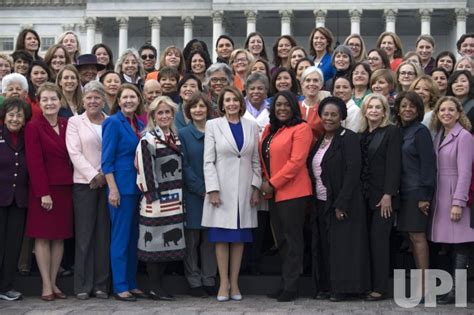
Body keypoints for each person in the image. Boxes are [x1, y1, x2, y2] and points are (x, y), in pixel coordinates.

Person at [307, 96, 370, 302]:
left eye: (334, 114)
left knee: (343, 248)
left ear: (342, 116)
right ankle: (326, 286)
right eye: (326, 114)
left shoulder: (349, 138)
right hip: (321, 202)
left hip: (344, 203)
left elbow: (353, 171)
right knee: (325, 247)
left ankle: (343, 288)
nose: (329, 118)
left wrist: (341, 202)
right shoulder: (319, 141)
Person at [201, 86, 261, 301]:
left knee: (239, 239)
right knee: (221, 238)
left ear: (241, 103)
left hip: (244, 191)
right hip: (222, 191)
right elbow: (208, 160)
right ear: (222, 104)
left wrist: (255, 187)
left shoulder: (252, 126)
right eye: (227, 100)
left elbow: (256, 161)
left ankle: (234, 283)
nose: (232, 104)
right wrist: (213, 189)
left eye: (235, 100)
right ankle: (223, 283)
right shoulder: (213, 125)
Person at [260, 91, 312, 302]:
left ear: (293, 107)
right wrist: (265, 182)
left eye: (286, 105)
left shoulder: (302, 129)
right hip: (273, 193)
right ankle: (286, 282)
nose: (281, 108)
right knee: (280, 240)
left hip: (294, 192)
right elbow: (264, 159)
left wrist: (271, 183)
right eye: (278, 105)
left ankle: (292, 286)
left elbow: (296, 162)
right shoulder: (269, 130)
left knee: (293, 240)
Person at [24, 83, 74, 301]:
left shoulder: (66, 124)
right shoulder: (33, 127)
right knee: (43, 237)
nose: (50, 103)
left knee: (59, 238)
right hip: (43, 190)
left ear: (60, 100)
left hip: (65, 187)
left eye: (53, 99)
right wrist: (43, 192)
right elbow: (35, 163)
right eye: (45, 99)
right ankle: (45, 285)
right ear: (39, 102)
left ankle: (54, 282)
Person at [135, 95, 186, 301]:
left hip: (175, 199)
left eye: (167, 112)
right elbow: (145, 170)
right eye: (160, 113)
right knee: (154, 244)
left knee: (168, 246)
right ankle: (154, 287)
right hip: (156, 200)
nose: (164, 116)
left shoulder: (175, 136)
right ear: (153, 117)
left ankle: (160, 286)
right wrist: (152, 197)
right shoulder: (148, 139)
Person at [65, 81, 110, 300]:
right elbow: (74, 153)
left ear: (104, 100)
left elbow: (113, 150)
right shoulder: (75, 122)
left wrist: (103, 175)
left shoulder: (110, 122)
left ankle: (101, 284)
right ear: (83, 100)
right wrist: (94, 175)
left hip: (108, 184)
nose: (93, 101)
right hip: (84, 184)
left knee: (103, 235)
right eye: (89, 97)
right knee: (84, 236)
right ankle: (82, 284)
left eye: (97, 97)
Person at [101, 84, 146, 301]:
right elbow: (106, 161)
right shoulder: (112, 122)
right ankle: (120, 286)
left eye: (133, 97)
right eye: (124, 97)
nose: (129, 100)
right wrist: (112, 189)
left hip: (139, 188)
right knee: (120, 238)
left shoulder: (139, 123)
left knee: (133, 238)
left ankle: (132, 282)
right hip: (121, 188)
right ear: (118, 101)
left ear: (139, 100)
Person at [428, 96, 474, 304]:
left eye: (451, 110)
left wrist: (459, 202)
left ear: (458, 113)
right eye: (442, 110)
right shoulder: (439, 135)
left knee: (461, 245)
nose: (446, 113)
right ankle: (450, 289)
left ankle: (458, 292)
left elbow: (466, 173)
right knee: (448, 245)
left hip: (455, 194)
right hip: (440, 195)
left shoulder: (464, 137)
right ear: (437, 114)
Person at [394, 91, 436, 300]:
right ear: (398, 110)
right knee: (410, 237)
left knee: (418, 237)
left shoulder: (420, 132)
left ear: (419, 110)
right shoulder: (399, 131)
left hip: (416, 192)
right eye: (403, 106)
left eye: (412, 106)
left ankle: (425, 287)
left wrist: (425, 195)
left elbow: (428, 165)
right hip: (400, 193)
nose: (407, 109)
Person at [359, 94, 401, 301]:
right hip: (363, 197)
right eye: (370, 107)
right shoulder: (360, 134)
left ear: (385, 111)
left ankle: (381, 288)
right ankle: (366, 284)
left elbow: (394, 165)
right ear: (364, 110)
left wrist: (388, 195)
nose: (374, 110)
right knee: (365, 242)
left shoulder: (392, 132)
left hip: (383, 199)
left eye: (378, 107)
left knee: (379, 242)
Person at [178, 93, 217, 297]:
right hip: (194, 193)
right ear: (188, 111)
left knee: (210, 240)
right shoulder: (183, 134)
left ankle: (209, 278)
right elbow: (183, 165)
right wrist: (201, 188)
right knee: (192, 239)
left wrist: (213, 188)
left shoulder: (216, 130)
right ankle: (194, 280)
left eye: (202, 106)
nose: (198, 110)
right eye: (194, 107)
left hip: (214, 193)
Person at [0, 98, 31, 301]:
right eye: (11, 114)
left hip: (19, 200)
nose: (15, 118)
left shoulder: (27, 137)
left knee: (13, 246)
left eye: (19, 115)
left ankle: (6, 286)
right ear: (4, 117)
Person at [299, 66, 330, 141]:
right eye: (308, 80)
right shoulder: (295, 106)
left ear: (321, 84)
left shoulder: (325, 109)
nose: (311, 83)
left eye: (315, 80)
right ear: (302, 84)